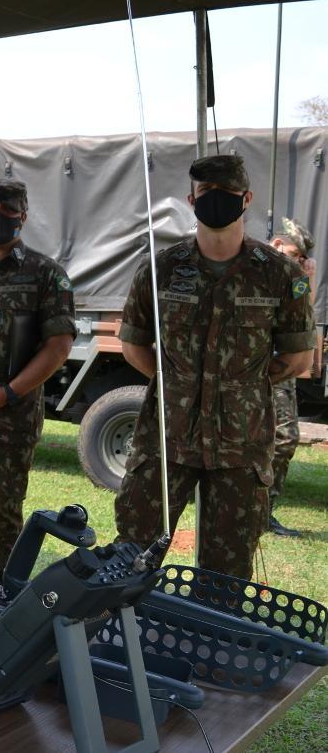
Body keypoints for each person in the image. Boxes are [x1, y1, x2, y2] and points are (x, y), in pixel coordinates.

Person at [114, 155, 314, 579]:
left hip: (240, 446)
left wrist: (235, 387)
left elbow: (297, 358)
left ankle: (210, 644)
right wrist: (179, 384)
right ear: (191, 198)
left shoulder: (281, 275)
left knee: (226, 573)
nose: (216, 200)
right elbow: (133, 344)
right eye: (207, 192)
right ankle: (121, 639)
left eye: (226, 192)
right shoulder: (162, 268)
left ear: (247, 198)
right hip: (165, 441)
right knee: (132, 554)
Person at [0, 178, 76, 582]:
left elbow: (58, 345)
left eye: (9, 211)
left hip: (11, 417)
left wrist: (7, 394)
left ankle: (0, 599)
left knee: (3, 518)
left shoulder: (45, 273)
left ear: (23, 217)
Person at [266, 217, 317, 537]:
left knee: (283, 438)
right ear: (277, 245)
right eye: (296, 255)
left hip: (281, 366)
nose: (300, 262)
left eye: (302, 258)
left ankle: (263, 513)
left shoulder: (291, 276)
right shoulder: (256, 269)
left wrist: (306, 279)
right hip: (254, 366)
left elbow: (303, 319)